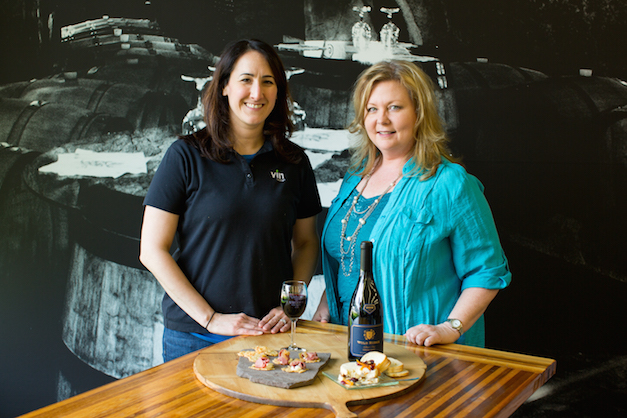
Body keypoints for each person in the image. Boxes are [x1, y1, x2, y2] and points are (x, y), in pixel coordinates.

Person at [140, 39, 321, 361]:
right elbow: (152, 250)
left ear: (279, 91)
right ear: (224, 86)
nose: (257, 92)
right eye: (246, 80)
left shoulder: (295, 162)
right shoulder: (185, 155)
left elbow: (306, 243)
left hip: (269, 336)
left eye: (268, 82)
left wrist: (289, 306)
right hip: (194, 337)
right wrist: (210, 318)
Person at [313, 60, 511, 347]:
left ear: (419, 113)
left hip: (416, 353)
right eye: (372, 109)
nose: (381, 120)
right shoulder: (354, 177)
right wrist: (326, 302)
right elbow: (348, 259)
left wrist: (451, 328)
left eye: (394, 107)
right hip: (347, 347)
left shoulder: (449, 183)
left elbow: (487, 271)